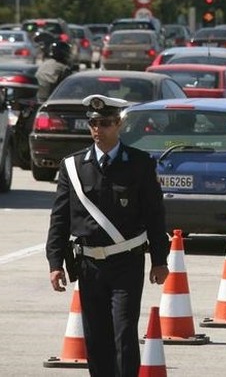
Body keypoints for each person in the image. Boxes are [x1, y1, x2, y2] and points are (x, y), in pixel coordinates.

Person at [46, 94, 169, 377]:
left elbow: (154, 215)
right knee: (96, 337)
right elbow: (60, 220)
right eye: (93, 123)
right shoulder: (73, 167)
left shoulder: (139, 164)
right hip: (89, 265)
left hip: (126, 263)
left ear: (118, 125)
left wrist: (159, 261)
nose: (97, 130)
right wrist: (55, 263)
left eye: (104, 123)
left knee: (124, 333)